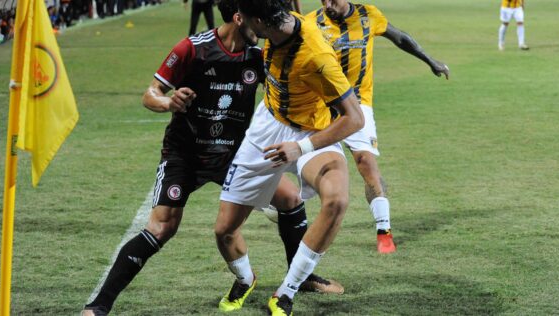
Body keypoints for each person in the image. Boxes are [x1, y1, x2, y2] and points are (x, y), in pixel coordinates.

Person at [81, 1, 339, 315]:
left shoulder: (260, 55)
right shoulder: (193, 49)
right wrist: (168, 102)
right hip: (185, 154)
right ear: (239, 17)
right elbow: (150, 94)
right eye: (256, 23)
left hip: (233, 153)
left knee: (290, 200)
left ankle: (301, 277)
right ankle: (99, 305)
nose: (262, 30)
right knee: (162, 227)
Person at [213, 0, 364, 315]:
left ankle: (287, 291)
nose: (241, 26)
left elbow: (354, 118)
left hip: (312, 132)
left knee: (337, 200)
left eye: (246, 22)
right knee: (224, 230)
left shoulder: (317, 56)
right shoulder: (280, 23)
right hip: (268, 127)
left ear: (260, 22)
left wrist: (303, 147)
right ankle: (245, 278)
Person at [304, 1, 449, 254]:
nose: (327, 5)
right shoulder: (311, 22)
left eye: (333, 0)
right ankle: (285, 207)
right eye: (323, 0)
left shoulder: (367, 15)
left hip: (358, 104)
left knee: (366, 163)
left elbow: (400, 38)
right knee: (305, 166)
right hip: (320, 104)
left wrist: (430, 60)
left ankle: (384, 230)